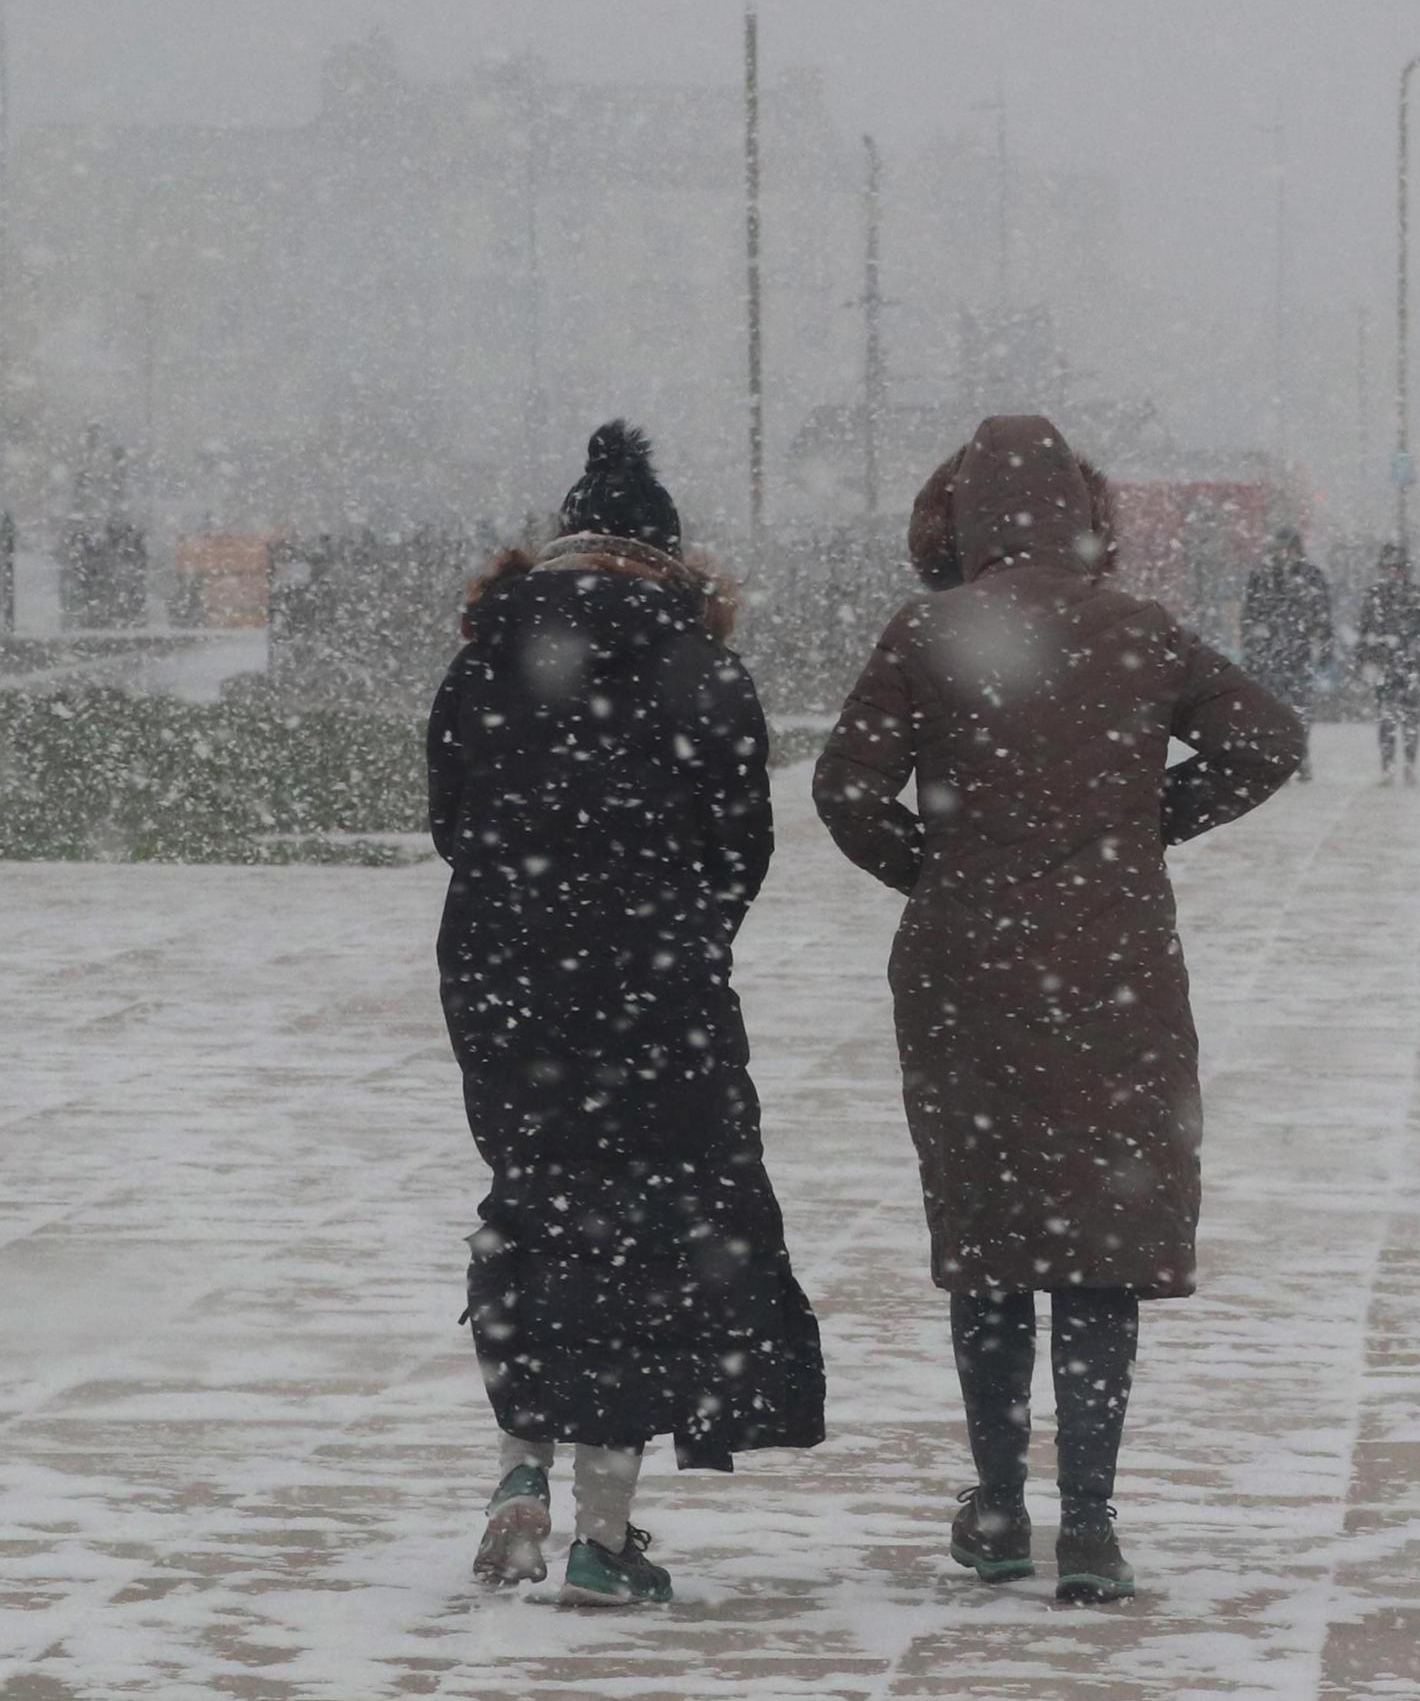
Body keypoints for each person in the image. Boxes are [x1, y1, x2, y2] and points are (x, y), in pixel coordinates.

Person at [812, 415, 1301, 1605]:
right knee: (1100, 1246)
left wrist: (937, 867)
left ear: (957, 517)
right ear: (1084, 512)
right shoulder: (1138, 630)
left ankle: (995, 1505)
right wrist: (1142, 826)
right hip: (1111, 961)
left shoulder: (931, 631)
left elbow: (846, 787)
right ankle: (1090, 1522)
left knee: (990, 1242)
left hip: (967, 968)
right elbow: (1267, 739)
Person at [429, 421, 825, 1607]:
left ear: (562, 542)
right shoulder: (701, 665)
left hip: (507, 981)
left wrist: (527, 914)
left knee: (532, 1207)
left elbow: (456, 824)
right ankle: (605, 1532)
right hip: (659, 988)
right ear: (665, 550)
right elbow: (740, 848)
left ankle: (517, 1467)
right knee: (649, 1243)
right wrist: (677, 935)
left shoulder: (485, 655)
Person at [1235, 526, 1335, 781]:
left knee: (1299, 708)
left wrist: (1323, 647)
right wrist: (1252, 645)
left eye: (1290, 550)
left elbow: (1322, 616)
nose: (1286, 555)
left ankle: (1297, 755)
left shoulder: (1311, 577)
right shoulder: (1261, 577)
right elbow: (1249, 615)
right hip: (1268, 655)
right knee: (1273, 709)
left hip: (1297, 652)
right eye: (1282, 550)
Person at [1356, 542, 1420, 784]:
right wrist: (1367, 657)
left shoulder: (1418, 596)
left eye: (1398, 568)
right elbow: (1365, 630)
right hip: (1385, 664)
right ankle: (1388, 766)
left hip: (1409, 664)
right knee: (1386, 718)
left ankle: (1409, 764)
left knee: (1410, 718)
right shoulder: (1374, 596)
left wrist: (1415, 645)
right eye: (1389, 568)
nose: (1393, 573)